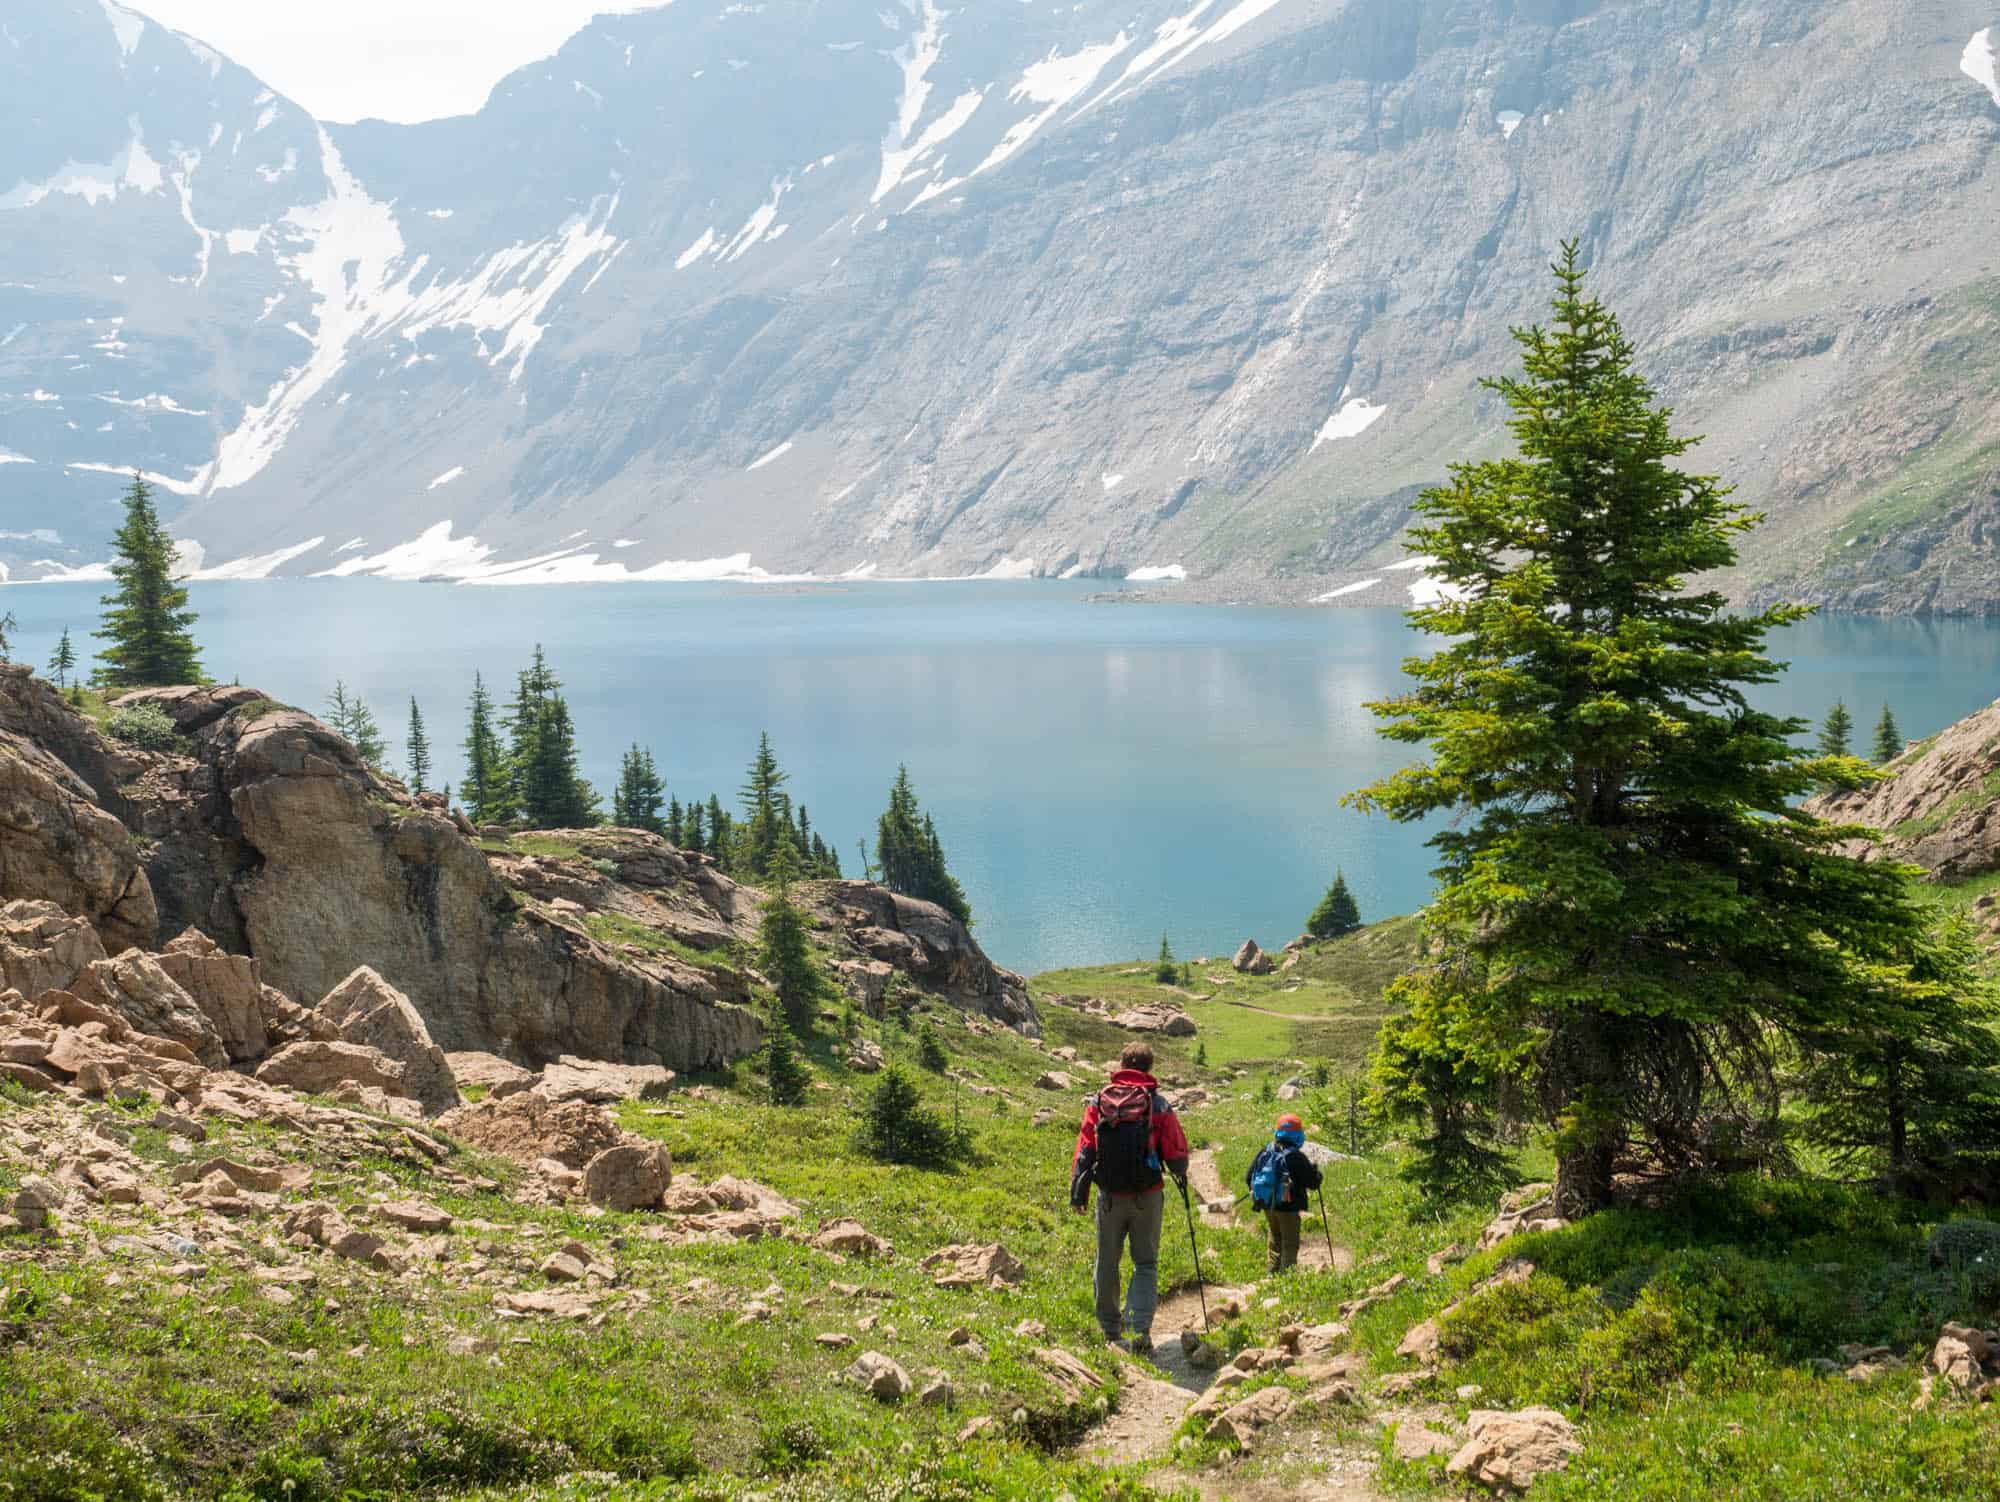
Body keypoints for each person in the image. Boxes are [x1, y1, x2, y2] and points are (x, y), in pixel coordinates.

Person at [1069, 1041, 1191, 1353]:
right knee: (1145, 1262)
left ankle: (1110, 1331)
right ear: (1149, 1068)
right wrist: (1179, 1169)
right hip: (1147, 1195)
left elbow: (1085, 1148)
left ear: (1122, 1064)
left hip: (1108, 1195)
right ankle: (1139, 1332)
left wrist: (1078, 1192)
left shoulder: (1099, 1101)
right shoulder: (1158, 1104)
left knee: (1107, 1260)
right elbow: (1176, 1154)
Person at [1247, 1113, 1323, 1274]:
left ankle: (1272, 1274)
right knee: (1289, 1243)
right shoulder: (1295, 1157)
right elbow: (1313, 1183)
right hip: (1288, 1207)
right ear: (1298, 1134)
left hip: (1267, 1205)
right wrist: (1317, 1174)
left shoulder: (1266, 1151)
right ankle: (1286, 1279)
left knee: (1275, 1239)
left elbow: (1249, 1177)